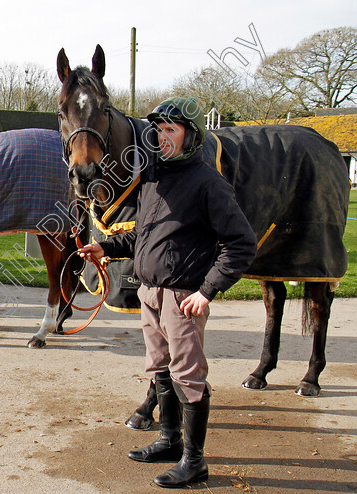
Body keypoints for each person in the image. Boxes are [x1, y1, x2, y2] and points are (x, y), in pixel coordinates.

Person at [79, 97, 256, 488]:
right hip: (151, 293)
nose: (161, 137)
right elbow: (143, 237)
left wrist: (208, 291)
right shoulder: (154, 178)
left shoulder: (209, 183)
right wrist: (105, 248)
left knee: (188, 376)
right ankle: (168, 440)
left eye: (170, 130)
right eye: (158, 130)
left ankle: (195, 462)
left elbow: (242, 244)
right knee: (159, 368)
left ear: (191, 136)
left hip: (184, 297)